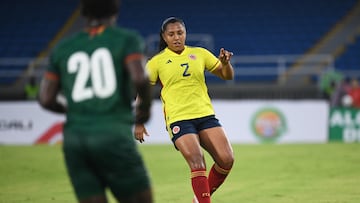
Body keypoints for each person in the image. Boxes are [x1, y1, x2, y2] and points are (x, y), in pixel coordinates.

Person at [38, 0, 153, 202]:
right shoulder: (127, 40)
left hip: (75, 141)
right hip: (112, 135)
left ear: (83, 12)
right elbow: (139, 78)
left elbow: (46, 98)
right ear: (115, 9)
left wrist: (74, 111)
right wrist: (144, 111)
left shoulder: (63, 47)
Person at [134, 17, 235, 203]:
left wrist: (226, 63)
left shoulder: (200, 53)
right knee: (198, 162)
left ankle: (199, 199)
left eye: (180, 33)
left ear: (185, 33)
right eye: (171, 34)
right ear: (164, 37)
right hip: (179, 119)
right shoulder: (156, 62)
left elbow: (227, 76)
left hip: (205, 115)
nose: (176, 37)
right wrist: (139, 121)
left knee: (227, 159)